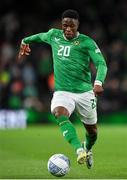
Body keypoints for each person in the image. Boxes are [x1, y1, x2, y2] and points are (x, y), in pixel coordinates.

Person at [18, 9, 108, 169]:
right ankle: (79, 150)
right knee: (59, 112)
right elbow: (39, 36)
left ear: (77, 25)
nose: (68, 29)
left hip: (85, 93)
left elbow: (101, 63)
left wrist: (98, 82)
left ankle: (87, 147)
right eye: (65, 25)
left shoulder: (87, 42)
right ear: (62, 24)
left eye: (72, 26)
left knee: (92, 132)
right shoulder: (54, 35)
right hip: (62, 91)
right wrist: (25, 41)